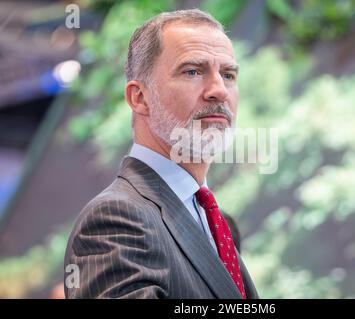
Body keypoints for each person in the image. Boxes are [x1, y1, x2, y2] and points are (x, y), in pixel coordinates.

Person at [64, 9, 259, 299]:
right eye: (192, 71)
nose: (219, 90)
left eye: (228, 75)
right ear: (139, 98)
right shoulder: (114, 219)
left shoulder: (220, 224)